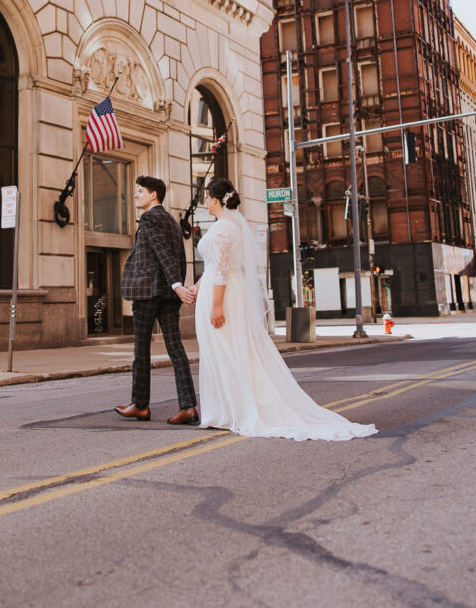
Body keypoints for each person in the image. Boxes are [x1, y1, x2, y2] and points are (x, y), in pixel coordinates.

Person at [189, 178, 378, 442]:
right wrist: (197, 287)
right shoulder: (230, 227)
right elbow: (216, 267)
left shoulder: (223, 229)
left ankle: (232, 411)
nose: (206, 202)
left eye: (208, 197)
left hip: (222, 295)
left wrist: (216, 305)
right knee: (229, 349)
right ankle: (226, 409)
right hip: (219, 289)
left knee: (225, 350)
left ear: (216, 199)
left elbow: (221, 270)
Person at [115, 176, 199, 426]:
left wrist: (177, 286)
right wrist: (176, 287)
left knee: (141, 350)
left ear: (154, 195)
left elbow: (163, 252)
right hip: (166, 295)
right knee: (176, 349)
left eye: (140, 191)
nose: (136, 195)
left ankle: (140, 406)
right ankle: (188, 406)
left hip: (148, 292)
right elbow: (179, 257)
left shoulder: (150, 217)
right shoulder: (172, 221)